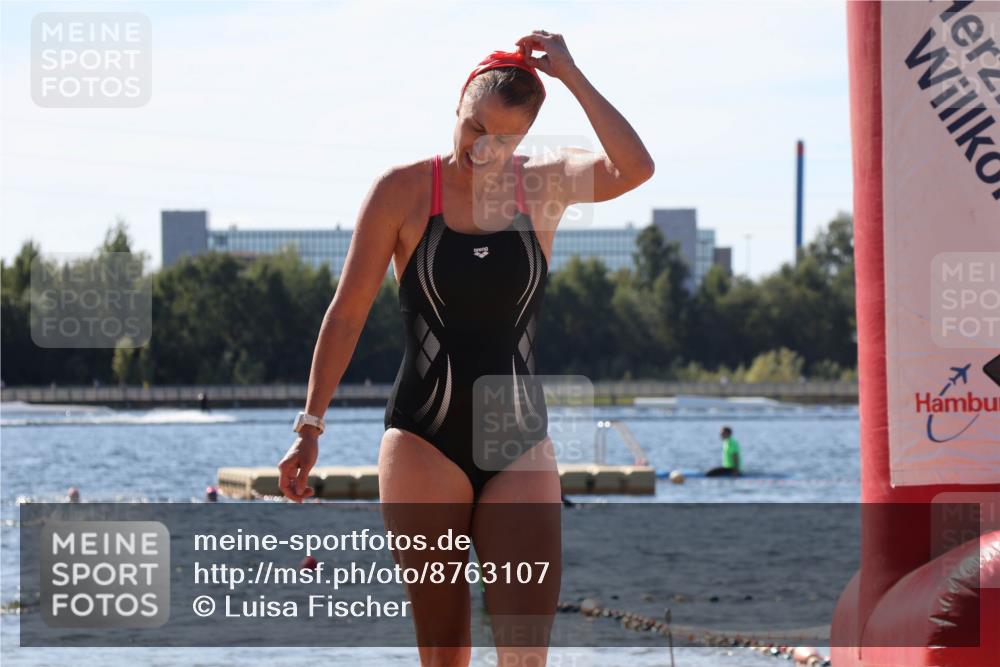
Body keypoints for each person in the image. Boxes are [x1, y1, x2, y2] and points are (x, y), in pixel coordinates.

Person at [278, 30, 653, 667]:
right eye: (477, 128)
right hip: (425, 440)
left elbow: (633, 169)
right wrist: (310, 426)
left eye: (505, 138)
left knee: (525, 653)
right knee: (446, 653)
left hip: (519, 444)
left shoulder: (543, 187)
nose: (486, 149)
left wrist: (572, 75)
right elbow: (347, 314)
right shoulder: (400, 191)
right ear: (460, 105)